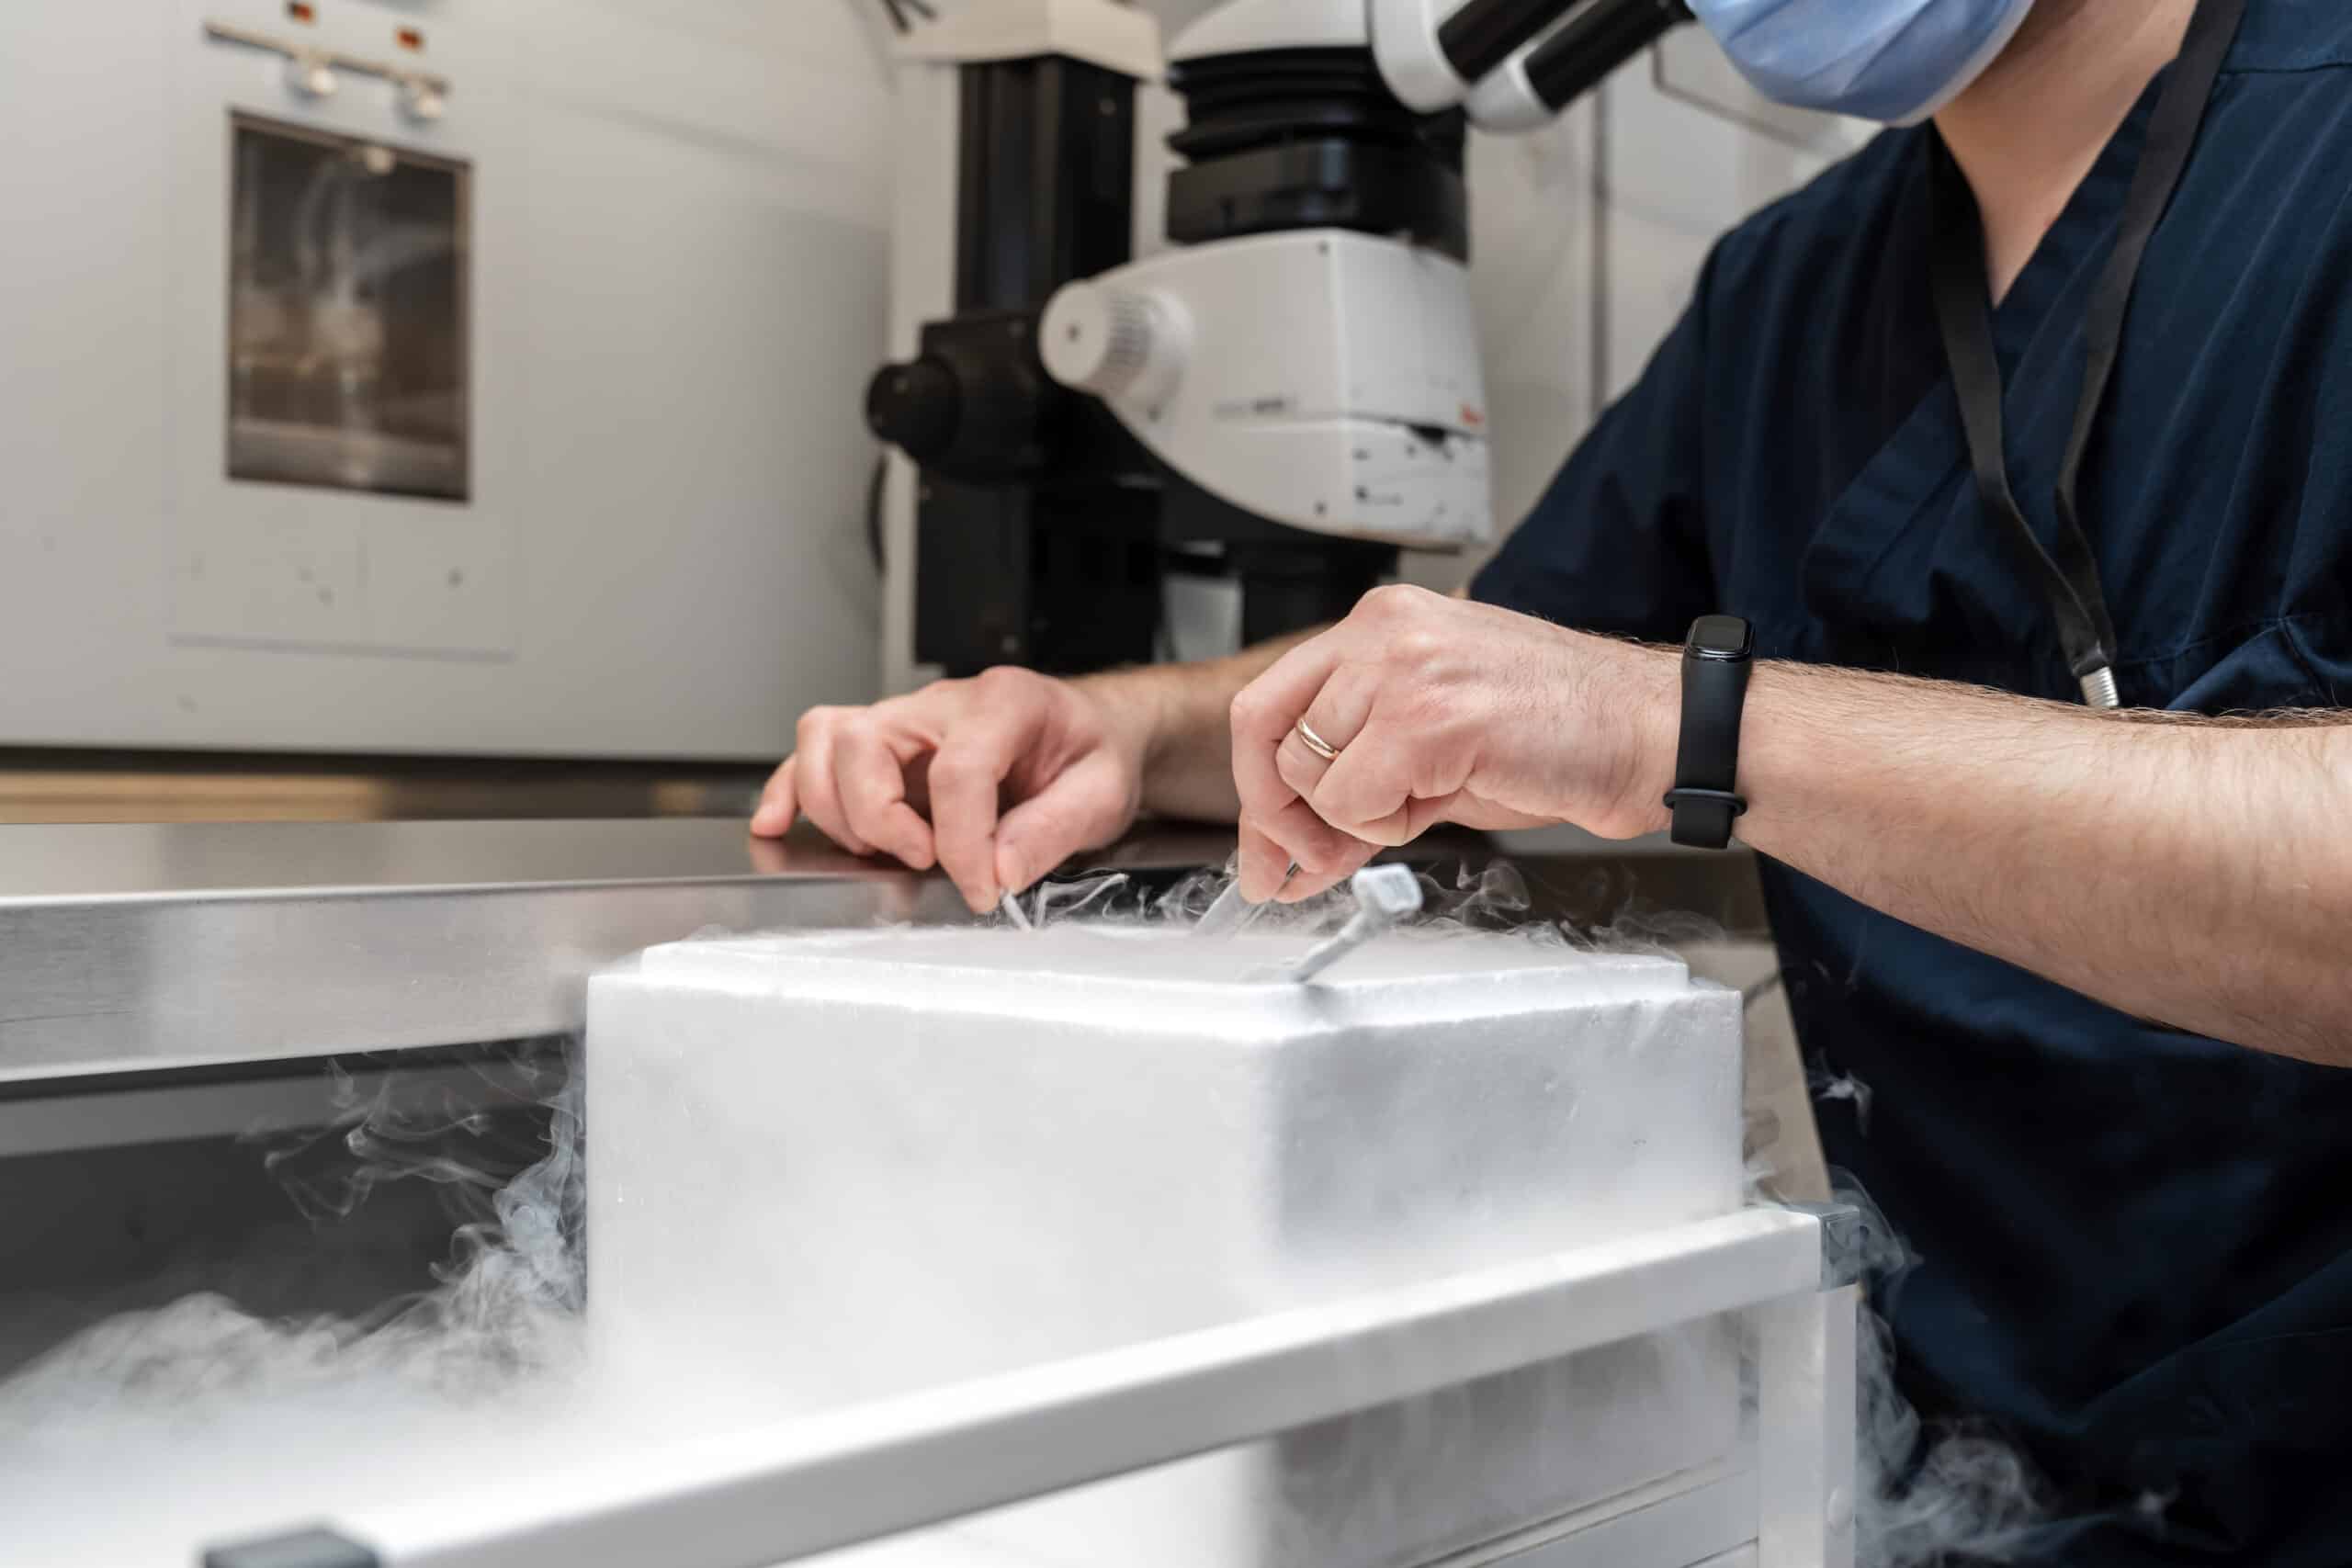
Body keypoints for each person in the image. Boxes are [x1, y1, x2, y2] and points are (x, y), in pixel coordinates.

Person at [756, 0, 2352, 1559]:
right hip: (1954, 1454)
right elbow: (1483, 678)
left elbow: (1615, 707)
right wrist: (1122, 728)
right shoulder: (1791, 292)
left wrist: (1677, 727)